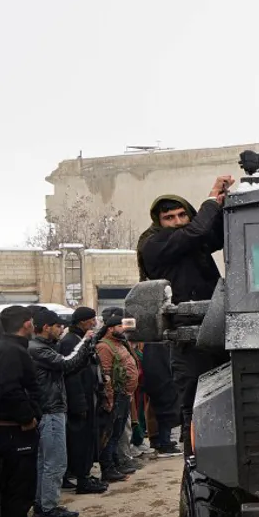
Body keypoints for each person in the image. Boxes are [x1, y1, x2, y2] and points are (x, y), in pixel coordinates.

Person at [138, 178, 233, 450]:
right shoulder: (155, 244)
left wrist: (225, 203)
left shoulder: (192, 242)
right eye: (169, 218)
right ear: (159, 222)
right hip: (188, 338)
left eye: (182, 215)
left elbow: (216, 233)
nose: (178, 222)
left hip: (218, 328)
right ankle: (194, 460)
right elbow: (197, 231)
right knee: (195, 406)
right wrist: (211, 199)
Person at [28, 309, 96, 517]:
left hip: (50, 409)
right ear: (46, 327)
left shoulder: (41, 348)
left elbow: (68, 367)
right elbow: (66, 363)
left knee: (45, 462)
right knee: (55, 462)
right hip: (50, 410)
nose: (61, 329)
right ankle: (49, 507)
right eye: (58, 326)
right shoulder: (39, 349)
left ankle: (42, 504)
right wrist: (85, 342)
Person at [0, 306, 46, 517]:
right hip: (13, 432)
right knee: (18, 491)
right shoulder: (11, 351)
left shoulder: (12, 348)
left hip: (11, 430)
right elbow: (8, 388)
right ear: (26, 323)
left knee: (15, 491)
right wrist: (27, 417)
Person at [59, 308, 110, 491]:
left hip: (89, 396)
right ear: (82, 321)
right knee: (79, 441)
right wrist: (79, 402)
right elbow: (71, 374)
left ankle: (84, 475)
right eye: (91, 320)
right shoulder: (70, 342)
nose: (94, 323)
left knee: (88, 439)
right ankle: (81, 478)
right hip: (79, 400)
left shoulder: (80, 339)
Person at [97, 312, 141, 478]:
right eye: (119, 326)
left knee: (118, 432)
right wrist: (109, 399)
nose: (123, 329)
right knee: (112, 434)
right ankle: (108, 468)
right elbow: (105, 375)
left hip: (124, 395)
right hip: (115, 397)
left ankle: (116, 464)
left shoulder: (120, 343)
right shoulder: (104, 346)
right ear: (110, 329)